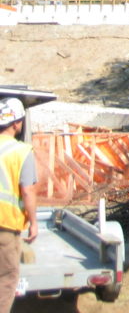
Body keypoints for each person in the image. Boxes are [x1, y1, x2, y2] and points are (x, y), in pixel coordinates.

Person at [0, 98, 37, 312]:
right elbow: (28, 190)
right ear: (16, 123)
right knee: (6, 279)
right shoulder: (22, 152)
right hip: (5, 226)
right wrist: (33, 222)